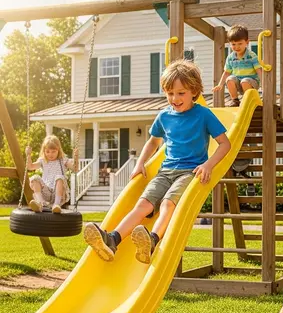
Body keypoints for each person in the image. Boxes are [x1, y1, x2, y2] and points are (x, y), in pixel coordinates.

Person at [84, 60, 231, 264]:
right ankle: (112, 239)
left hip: (190, 172)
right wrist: (140, 162)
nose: (175, 98)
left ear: (194, 91)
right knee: (142, 205)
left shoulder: (203, 114)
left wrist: (208, 165)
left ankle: (152, 240)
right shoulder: (164, 116)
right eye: (170, 93)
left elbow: (225, 143)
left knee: (168, 204)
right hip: (165, 171)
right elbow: (153, 142)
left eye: (181, 93)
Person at [25, 135, 78, 214]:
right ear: (44, 151)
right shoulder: (43, 160)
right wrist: (28, 155)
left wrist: (76, 157)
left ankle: (56, 205)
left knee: (59, 177)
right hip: (46, 191)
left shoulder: (63, 160)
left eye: (53, 151)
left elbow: (75, 168)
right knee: (34, 178)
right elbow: (30, 167)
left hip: (58, 193)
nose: (50, 154)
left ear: (58, 150)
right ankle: (41, 203)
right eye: (48, 152)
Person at [212, 24, 262, 107]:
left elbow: (258, 70)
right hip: (238, 83)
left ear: (247, 42)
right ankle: (235, 100)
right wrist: (220, 85)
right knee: (230, 79)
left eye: (240, 43)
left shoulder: (251, 55)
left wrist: (263, 84)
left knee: (245, 81)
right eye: (233, 44)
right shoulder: (231, 57)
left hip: (251, 83)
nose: (236, 47)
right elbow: (226, 72)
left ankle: (247, 100)